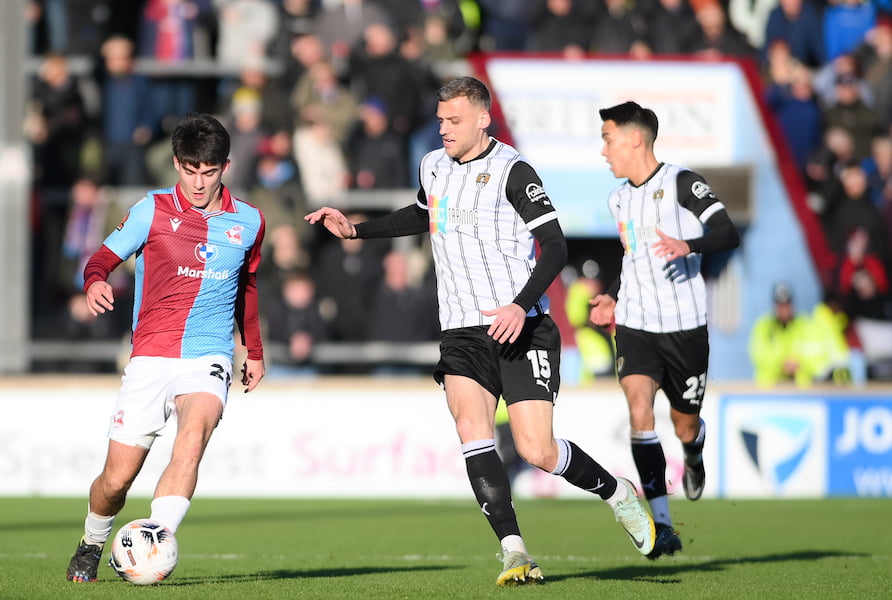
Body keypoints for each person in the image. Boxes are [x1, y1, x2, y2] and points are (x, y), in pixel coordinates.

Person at [305, 76, 657, 587]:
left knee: (537, 450)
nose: (444, 129)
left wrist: (520, 304)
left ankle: (616, 492)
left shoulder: (514, 171)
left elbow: (556, 246)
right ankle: (515, 552)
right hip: (461, 332)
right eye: (440, 120)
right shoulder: (432, 165)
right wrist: (357, 229)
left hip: (522, 326)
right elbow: (423, 214)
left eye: (454, 120)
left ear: (482, 119)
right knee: (473, 431)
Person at [65, 112, 267, 582]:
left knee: (192, 439)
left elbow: (248, 287)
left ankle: (153, 545)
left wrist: (253, 351)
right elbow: (101, 258)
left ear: (225, 167)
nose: (198, 183)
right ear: (177, 163)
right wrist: (95, 281)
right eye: (190, 170)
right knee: (116, 481)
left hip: (208, 353)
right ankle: (93, 540)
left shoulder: (250, 221)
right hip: (151, 356)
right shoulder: (151, 209)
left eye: (209, 172)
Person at [591, 101, 740, 559]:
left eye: (608, 139)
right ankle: (662, 524)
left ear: (635, 139)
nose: (604, 151)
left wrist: (688, 244)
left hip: (685, 328)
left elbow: (728, 232)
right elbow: (633, 257)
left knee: (684, 424)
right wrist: (612, 295)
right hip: (635, 324)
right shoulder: (618, 198)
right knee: (639, 410)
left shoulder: (682, 183)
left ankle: (693, 453)